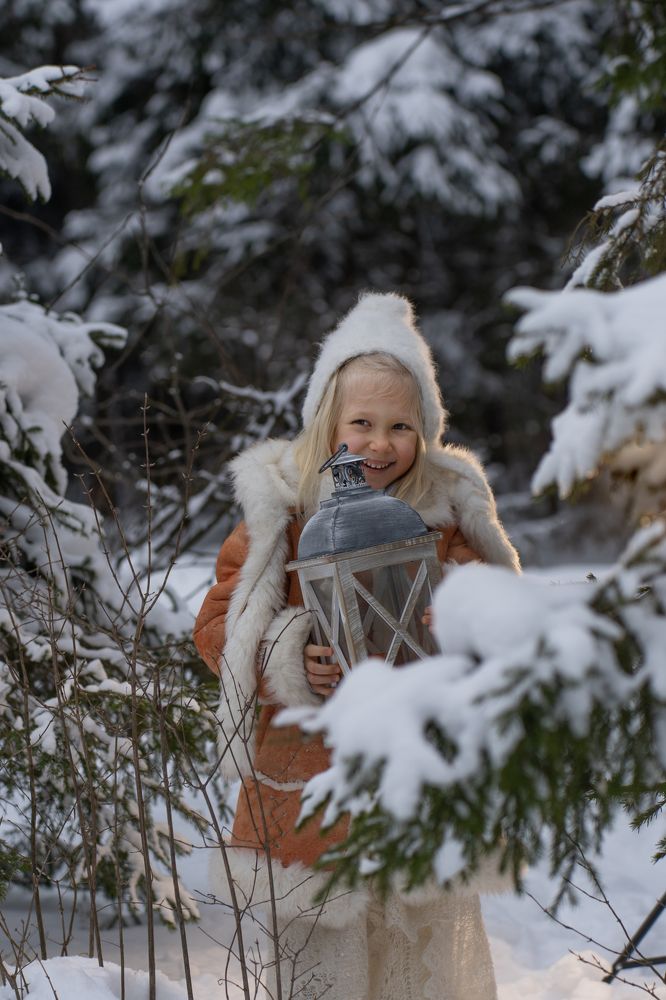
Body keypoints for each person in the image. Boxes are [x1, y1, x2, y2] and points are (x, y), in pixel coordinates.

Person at [193, 291, 520, 1000]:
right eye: (361, 423)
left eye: (400, 426)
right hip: (313, 772)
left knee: (422, 940)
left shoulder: (443, 515)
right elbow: (217, 626)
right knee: (323, 952)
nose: (379, 443)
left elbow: (503, 612)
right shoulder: (286, 514)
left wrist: (458, 612)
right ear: (327, 425)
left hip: (420, 771)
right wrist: (289, 648)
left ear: (426, 431)